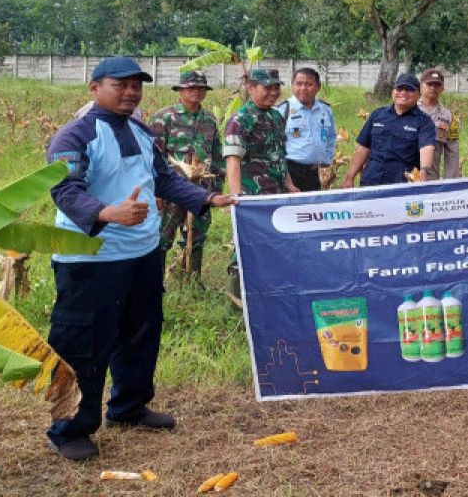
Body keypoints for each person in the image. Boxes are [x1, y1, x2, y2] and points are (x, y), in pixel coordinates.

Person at [44, 56, 234, 461]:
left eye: (137, 85)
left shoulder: (141, 131)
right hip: (92, 258)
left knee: (139, 333)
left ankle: (128, 407)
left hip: (142, 253)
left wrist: (206, 198)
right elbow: (64, 189)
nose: (131, 92)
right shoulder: (73, 137)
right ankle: (71, 427)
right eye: (120, 84)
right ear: (95, 87)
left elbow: (162, 178)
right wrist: (107, 212)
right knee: (84, 343)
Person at [223, 68, 293, 299]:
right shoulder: (240, 120)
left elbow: (280, 155)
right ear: (250, 87)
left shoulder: (276, 116)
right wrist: (237, 197)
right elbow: (233, 161)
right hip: (252, 196)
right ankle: (236, 299)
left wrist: (290, 184)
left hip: (277, 194)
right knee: (245, 246)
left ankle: (268, 292)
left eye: (276, 87)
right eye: (267, 88)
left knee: (273, 243)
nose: (273, 92)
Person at [148, 70, 224, 279]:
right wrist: (155, 190)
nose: (197, 92)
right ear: (180, 90)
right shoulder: (163, 118)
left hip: (201, 190)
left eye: (201, 88)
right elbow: (152, 156)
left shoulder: (209, 120)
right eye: (191, 88)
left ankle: (191, 278)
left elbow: (217, 154)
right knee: (162, 236)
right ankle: (155, 282)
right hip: (171, 189)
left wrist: (216, 189)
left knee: (197, 233)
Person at [344, 73, 436, 187]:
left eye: (409, 89)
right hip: (371, 180)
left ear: (418, 94)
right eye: (399, 88)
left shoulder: (424, 121)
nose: (403, 92)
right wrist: (349, 177)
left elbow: (427, 148)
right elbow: (363, 147)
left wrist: (424, 171)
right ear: (393, 92)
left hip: (402, 185)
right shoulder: (377, 115)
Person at [278, 67, 337, 192]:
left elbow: (331, 135)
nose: (303, 88)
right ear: (292, 86)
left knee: (311, 208)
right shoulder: (283, 109)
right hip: (290, 170)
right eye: (299, 84)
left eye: (308, 84)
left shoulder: (325, 110)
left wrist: (326, 159)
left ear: (318, 87)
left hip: (313, 172)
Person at [419, 67, 461, 180]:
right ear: (421, 86)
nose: (433, 88)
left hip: (431, 179)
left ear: (442, 88)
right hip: (405, 177)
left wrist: (450, 183)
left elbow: (452, 153)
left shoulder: (448, 116)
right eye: (429, 84)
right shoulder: (409, 110)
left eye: (437, 85)